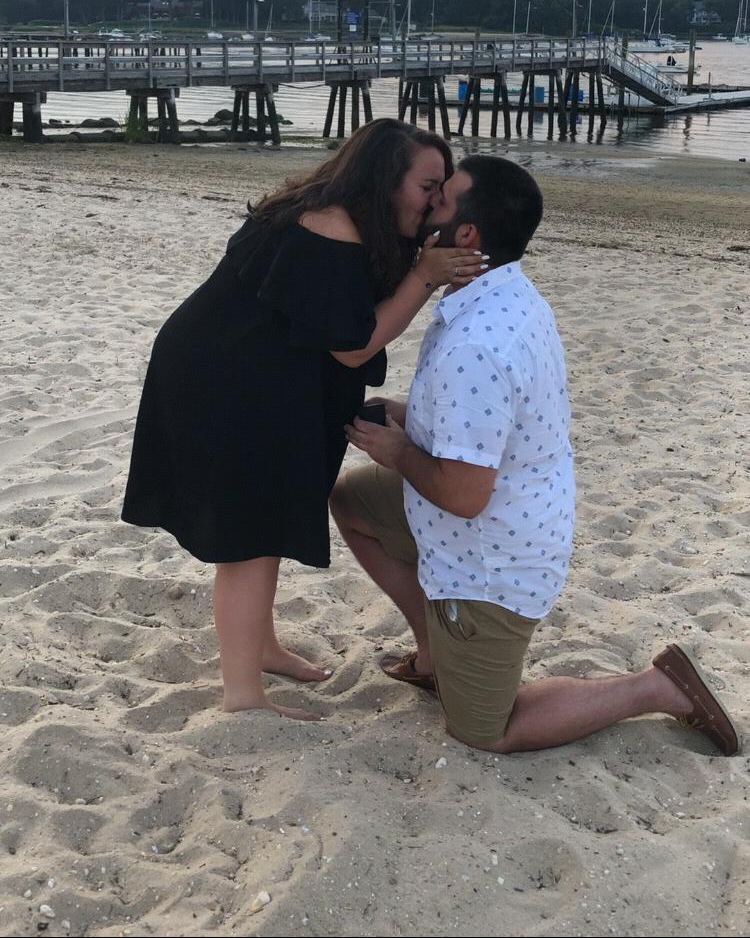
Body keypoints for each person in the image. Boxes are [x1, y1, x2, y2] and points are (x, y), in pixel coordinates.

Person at [335, 155, 739, 756]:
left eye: (439, 200)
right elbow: (491, 422)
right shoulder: (505, 293)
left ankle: (656, 687)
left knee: (485, 731)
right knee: (353, 501)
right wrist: (408, 416)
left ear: (465, 235)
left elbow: (465, 496)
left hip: (491, 558)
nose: (425, 204)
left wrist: (397, 450)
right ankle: (434, 652)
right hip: (512, 505)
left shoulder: (477, 343)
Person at [122, 119, 489, 721]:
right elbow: (354, 346)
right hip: (226, 380)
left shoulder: (346, 216)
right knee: (251, 535)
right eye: (427, 187)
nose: (433, 202)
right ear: (383, 180)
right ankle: (243, 695)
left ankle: (262, 648)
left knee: (266, 522)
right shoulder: (329, 225)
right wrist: (425, 275)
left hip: (260, 375)